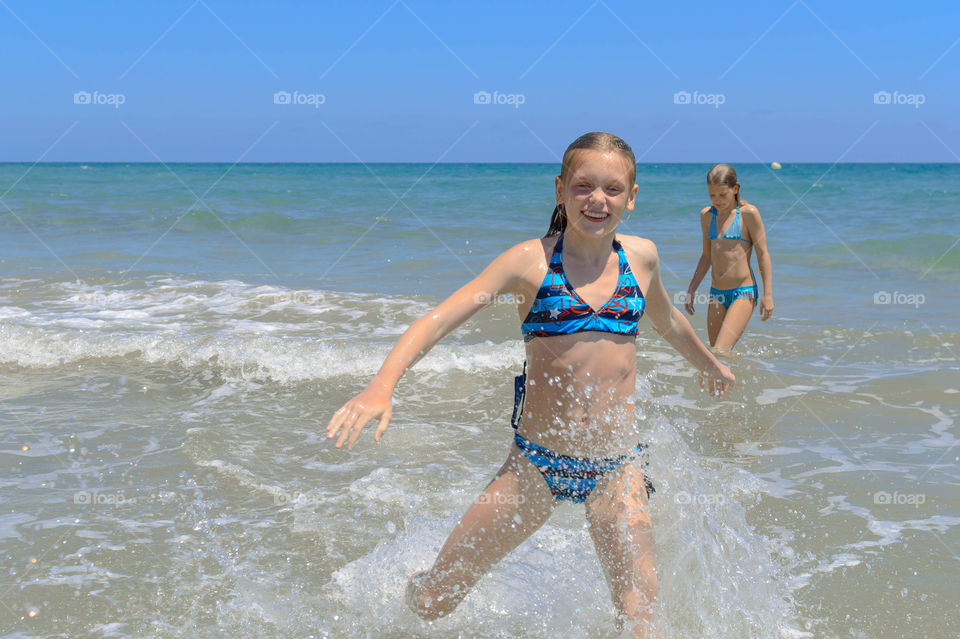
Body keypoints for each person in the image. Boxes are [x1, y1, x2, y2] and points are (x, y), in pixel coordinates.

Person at [326, 132, 735, 636]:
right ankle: (411, 582)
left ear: (631, 198)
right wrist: (381, 386)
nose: (597, 199)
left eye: (612, 189)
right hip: (536, 467)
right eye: (584, 186)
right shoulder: (530, 263)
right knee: (434, 602)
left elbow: (668, 320)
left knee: (641, 621)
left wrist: (708, 363)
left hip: (615, 467)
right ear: (561, 189)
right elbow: (438, 320)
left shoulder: (641, 258)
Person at [684, 164, 773, 352]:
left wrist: (768, 294)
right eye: (712, 195)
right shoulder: (707, 216)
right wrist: (691, 289)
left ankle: (748, 374)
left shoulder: (748, 214)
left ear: (735, 189)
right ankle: (740, 377)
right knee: (715, 354)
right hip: (716, 294)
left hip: (743, 293)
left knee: (721, 351)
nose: (717, 200)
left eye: (722, 195)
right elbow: (706, 256)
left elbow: (763, 254)